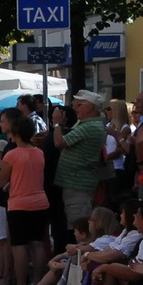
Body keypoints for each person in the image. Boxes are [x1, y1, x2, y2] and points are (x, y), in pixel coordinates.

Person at [0, 113, 51, 285]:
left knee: (19, 246)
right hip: (40, 202)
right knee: (38, 245)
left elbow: (2, 180)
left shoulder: (12, 155)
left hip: (19, 203)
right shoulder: (39, 152)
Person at [51, 91, 106, 222]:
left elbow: (59, 143)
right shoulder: (90, 125)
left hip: (77, 184)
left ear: (90, 107)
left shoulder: (89, 126)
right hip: (77, 183)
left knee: (78, 224)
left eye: (80, 105)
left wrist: (57, 124)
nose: (76, 109)